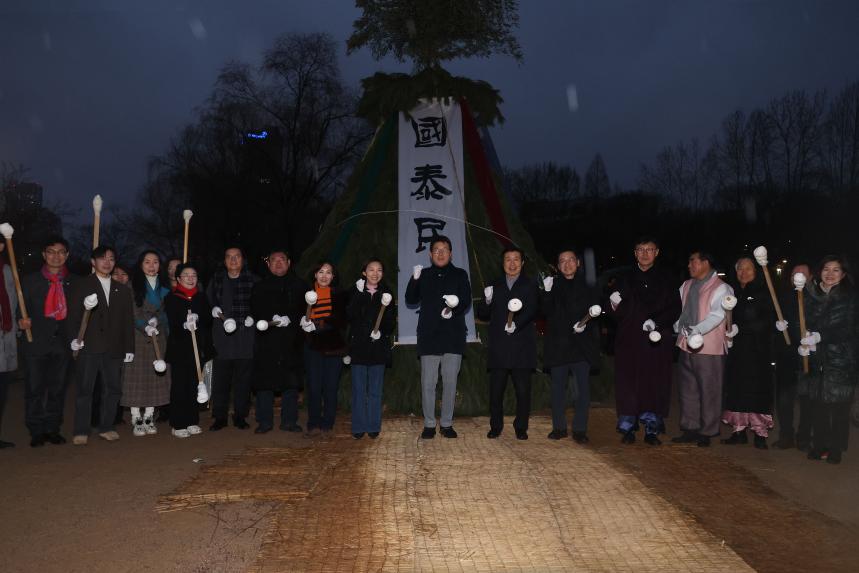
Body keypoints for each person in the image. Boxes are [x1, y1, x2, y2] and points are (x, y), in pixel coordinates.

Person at [609, 237, 680, 445]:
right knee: (629, 383)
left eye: (649, 250)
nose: (645, 254)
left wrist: (656, 322)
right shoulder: (624, 277)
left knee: (654, 383)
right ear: (635, 253)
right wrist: (613, 305)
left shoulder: (667, 278)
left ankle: (652, 427)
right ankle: (628, 425)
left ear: (657, 252)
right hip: (629, 339)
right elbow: (614, 307)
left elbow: (675, 307)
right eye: (640, 250)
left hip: (656, 340)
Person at [405, 236, 472, 439]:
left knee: (450, 382)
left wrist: (455, 309)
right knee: (428, 382)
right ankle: (428, 423)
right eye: (436, 250)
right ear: (430, 254)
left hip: (453, 335)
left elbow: (466, 300)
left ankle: (447, 423)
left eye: (444, 249)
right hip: (429, 335)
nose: (440, 253)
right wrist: (414, 279)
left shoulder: (460, 274)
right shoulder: (423, 274)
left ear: (451, 253)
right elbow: (411, 299)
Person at [68, 245, 135, 445]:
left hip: (113, 347)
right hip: (89, 346)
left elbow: (127, 321)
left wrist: (129, 347)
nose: (107, 262)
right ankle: (81, 430)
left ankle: (106, 426)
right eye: (102, 258)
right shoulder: (81, 285)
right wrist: (73, 338)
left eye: (111, 259)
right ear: (93, 261)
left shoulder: (122, 289)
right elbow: (72, 316)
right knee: (85, 389)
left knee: (113, 389)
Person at [17, 236, 75, 448]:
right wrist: (20, 321)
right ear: (44, 255)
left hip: (63, 343)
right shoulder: (29, 281)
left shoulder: (74, 282)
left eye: (61, 252)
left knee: (57, 389)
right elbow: (19, 309)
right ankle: (36, 429)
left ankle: (52, 427)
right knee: (34, 389)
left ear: (67, 255)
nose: (56, 256)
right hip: (36, 342)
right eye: (51, 251)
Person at [672, 250, 733, 447]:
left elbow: (718, 315)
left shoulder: (722, 288)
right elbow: (680, 309)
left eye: (693, 261)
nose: (689, 265)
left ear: (706, 262)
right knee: (687, 389)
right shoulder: (687, 285)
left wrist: (697, 330)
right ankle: (690, 427)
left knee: (710, 390)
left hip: (709, 347)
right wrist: (677, 326)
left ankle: (707, 430)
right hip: (685, 344)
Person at [477, 247, 538, 440]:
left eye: (516, 260)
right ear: (502, 263)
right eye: (508, 260)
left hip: (522, 345)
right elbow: (483, 314)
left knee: (522, 391)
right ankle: (496, 426)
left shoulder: (529, 284)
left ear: (522, 263)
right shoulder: (494, 285)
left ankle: (521, 426)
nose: (512, 264)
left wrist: (517, 324)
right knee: (496, 391)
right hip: (500, 346)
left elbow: (533, 309)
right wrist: (486, 301)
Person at [801, 255, 857, 464]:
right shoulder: (809, 294)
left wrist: (821, 336)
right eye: (826, 269)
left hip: (841, 358)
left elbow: (848, 328)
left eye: (836, 270)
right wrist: (805, 339)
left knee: (839, 407)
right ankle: (820, 445)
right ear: (819, 271)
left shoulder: (850, 297)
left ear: (843, 275)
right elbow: (804, 320)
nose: (830, 274)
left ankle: (836, 448)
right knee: (818, 405)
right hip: (817, 357)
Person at [541, 248, 600, 443]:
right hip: (558, 345)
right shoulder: (552, 285)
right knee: (558, 389)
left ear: (578, 263)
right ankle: (559, 428)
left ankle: (580, 429)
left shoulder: (588, 285)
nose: (567, 264)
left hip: (581, 345)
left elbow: (596, 309)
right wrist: (547, 292)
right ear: (557, 266)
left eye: (571, 260)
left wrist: (586, 324)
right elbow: (545, 311)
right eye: (562, 261)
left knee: (582, 390)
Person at [250, 248, 306, 434]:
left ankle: (289, 421)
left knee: (291, 383)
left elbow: (306, 310)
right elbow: (255, 310)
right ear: (268, 264)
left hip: (291, 342)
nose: (278, 263)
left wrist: (295, 318)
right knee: (265, 383)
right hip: (267, 342)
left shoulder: (300, 286)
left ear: (289, 263)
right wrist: (269, 317)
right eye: (274, 260)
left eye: (282, 259)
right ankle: (264, 421)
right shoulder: (259, 287)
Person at [721, 257, 774, 449]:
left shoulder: (763, 291)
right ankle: (739, 431)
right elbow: (726, 317)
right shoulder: (732, 292)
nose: (743, 272)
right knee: (737, 389)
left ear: (755, 271)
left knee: (757, 391)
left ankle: (760, 434)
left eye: (748, 268)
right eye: (740, 269)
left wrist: (743, 328)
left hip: (757, 351)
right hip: (737, 352)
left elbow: (768, 320)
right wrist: (729, 330)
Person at [206, 246, 259, 431]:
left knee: (243, 380)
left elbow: (261, 304)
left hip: (245, 337)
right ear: (224, 260)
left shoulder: (253, 280)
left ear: (243, 259)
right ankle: (219, 416)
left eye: (237, 256)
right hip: (222, 338)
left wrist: (255, 315)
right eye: (229, 257)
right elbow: (208, 302)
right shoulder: (216, 279)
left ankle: (240, 416)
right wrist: (212, 308)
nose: (233, 260)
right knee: (221, 380)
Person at [121, 250, 170, 436]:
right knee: (136, 377)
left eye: (155, 262)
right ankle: (135, 416)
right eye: (147, 262)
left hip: (159, 336)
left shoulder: (164, 287)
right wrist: (144, 325)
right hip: (138, 337)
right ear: (140, 264)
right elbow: (132, 312)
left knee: (154, 376)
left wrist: (159, 320)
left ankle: (149, 415)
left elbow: (166, 310)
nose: (151, 265)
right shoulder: (132, 286)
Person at [346, 258, 395, 439]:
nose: (375, 273)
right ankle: (358, 426)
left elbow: (390, 323)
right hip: (359, 346)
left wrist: (381, 332)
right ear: (364, 273)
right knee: (359, 389)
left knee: (375, 389)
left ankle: (373, 425)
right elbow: (350, 316)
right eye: (371, 269)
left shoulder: (387, 293)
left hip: (378, 348)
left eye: (379, 270)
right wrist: (359, 294)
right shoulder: (354, 291)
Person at [164, 262, 213, 438]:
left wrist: (199, 318)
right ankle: (178, 423)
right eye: (186, 275)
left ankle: (192, 420)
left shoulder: (201, 297)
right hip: (180, 348)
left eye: (194, 275)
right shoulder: (172, 297)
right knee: (180, 385)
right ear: (178, 279)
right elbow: (173, 322)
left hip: (198, 348)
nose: (190, 279)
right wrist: (184, 324)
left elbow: (208, 320)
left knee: (196, 384)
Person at [300, 261, 347, 435]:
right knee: (313, 387)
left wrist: (318, 324)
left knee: (330, 387)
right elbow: (300, 314)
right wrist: (303, 323)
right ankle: (313, 422)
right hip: (312, 346)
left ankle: (328, 423)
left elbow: (340, 320)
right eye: (321, 272)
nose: (324, 276)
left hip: (333, 346)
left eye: (329, 272)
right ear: (315, 274)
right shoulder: (307, 294)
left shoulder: (339, 295)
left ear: (333, 276)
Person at [772, 263, 813, 450]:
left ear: (811, 277)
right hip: (786, 356)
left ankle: (804, 436)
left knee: (807, 400)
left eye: (803, 274)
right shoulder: (782, 298)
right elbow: (774, 321)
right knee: (784, 399)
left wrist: (810, 340)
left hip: (808, 356)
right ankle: (786, 435)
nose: (799, 276)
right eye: (796, 274)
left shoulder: (816, 298)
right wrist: (778, 326)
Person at [0, 239, 19, 448]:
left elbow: (13, 301)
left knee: (2, 391)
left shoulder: (7, 270)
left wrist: (18, 324)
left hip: (5, 339)